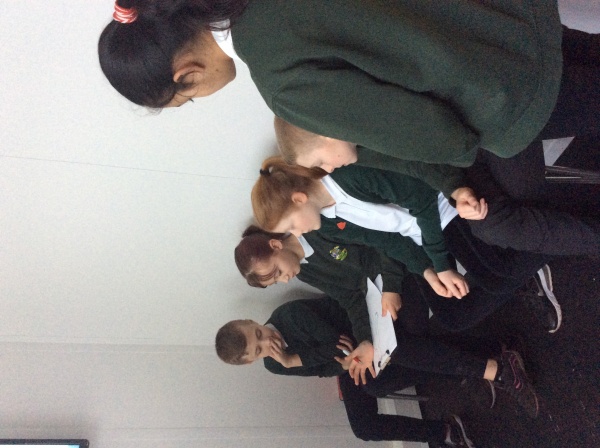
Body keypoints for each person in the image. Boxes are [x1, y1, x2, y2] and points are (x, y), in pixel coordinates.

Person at [98, 1, 599, 167]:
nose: (198, 97)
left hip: (503, 90)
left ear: (186, 74)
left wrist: (463, 148)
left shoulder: (280, 81)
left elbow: (420, 128)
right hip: (506, 17)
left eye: (186, 98)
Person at [215, 297, 538, 444]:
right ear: (252, 361)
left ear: (251, 321)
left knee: (384, 377)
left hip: (363, 334)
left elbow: (340, 345)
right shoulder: (275, 365)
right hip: (348, 362)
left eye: (258, 333)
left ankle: (488, 354)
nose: (267, 342)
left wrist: (299, 359)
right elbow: (327, 366)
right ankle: (443, 432)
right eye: (259, 349)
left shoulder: (289, 317)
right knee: (363, 426)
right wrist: (321, 362)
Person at [274, 116, 600, 257]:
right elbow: (418, 165)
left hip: (472, 144)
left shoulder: (354, 160)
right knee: (492, 227)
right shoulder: (358, 155)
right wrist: (457, 190)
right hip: (458, 167)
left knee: (518, 196)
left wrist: (455, 189)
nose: (327, 170)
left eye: (321, 162)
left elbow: (423, 174)